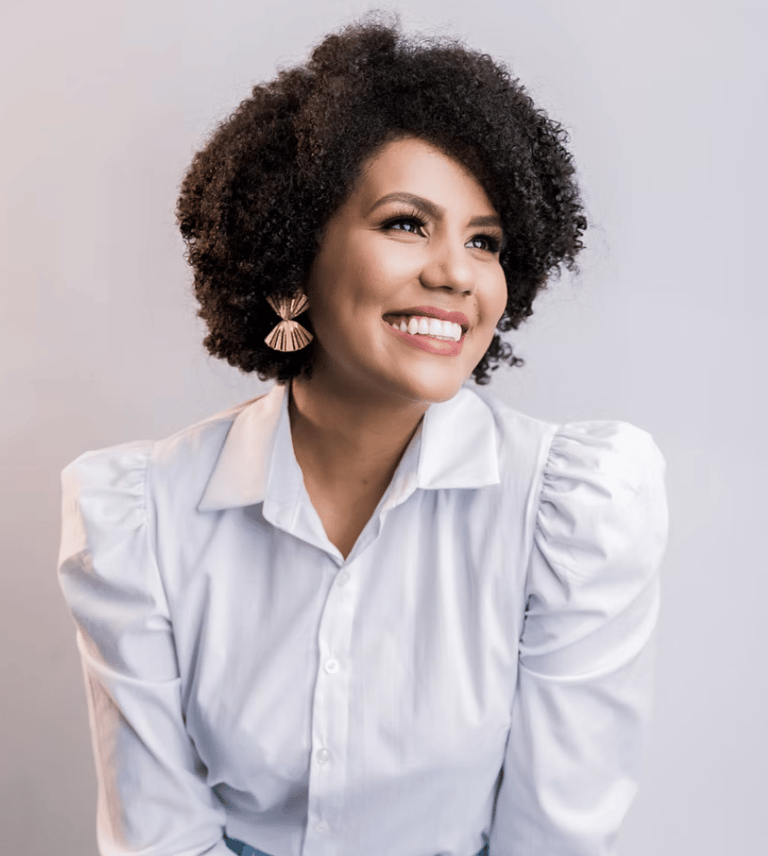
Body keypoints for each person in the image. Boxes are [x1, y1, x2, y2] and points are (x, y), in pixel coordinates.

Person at [57, 18, 668, 856]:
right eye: (407, 224)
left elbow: (555, 838)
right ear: (294, 251)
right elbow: (161, 838)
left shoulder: (571, 513)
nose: (455, 272)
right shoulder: (141, 519)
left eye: (484, 241)